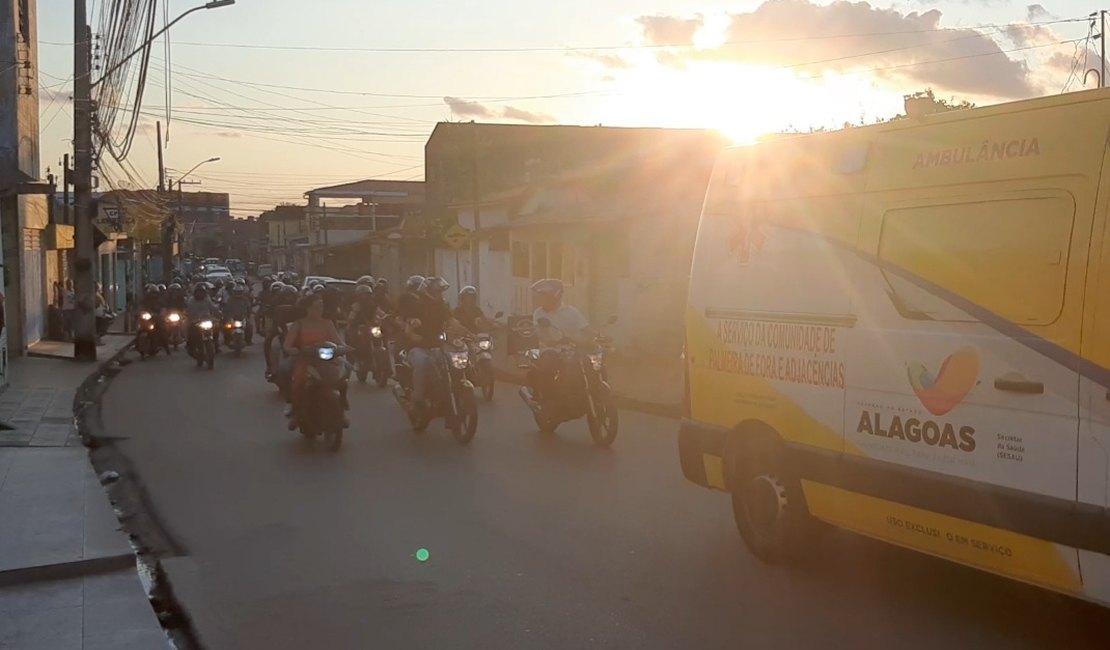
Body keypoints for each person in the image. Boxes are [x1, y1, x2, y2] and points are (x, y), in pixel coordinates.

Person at [282, 293, 344, 428]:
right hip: (306, 361)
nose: (319, 309)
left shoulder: (328, 323)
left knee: (343, 378)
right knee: (298, 383)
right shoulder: (298, 324)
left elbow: (338, 342)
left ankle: (342, 409)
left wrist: (344, 349)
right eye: (316, 307)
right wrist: (294, 350)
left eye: (321, 306)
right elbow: (287, 345)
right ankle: (297, 412)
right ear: (308, 308)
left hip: (327, 361)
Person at [525, 278, 591, 404]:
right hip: (550, 350)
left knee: (591, 364)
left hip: (573, 349)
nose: (540, 299)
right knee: (549, 363)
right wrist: (554, 341)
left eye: (543, 296)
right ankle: (548, 399)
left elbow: (585, 328)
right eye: (540, 296)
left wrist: (595, 336)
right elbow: (541, 334)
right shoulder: (539, 313)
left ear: (554, 296)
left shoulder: (571, 312)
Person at [402, 276, 459, 412]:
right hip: (417, 347)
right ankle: (417, 399)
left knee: (452, 360)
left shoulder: (442, 305)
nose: (439, 294)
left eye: (440, 292)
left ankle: (451, 390)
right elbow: (408, 324)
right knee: (423, 362)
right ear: (428, 292)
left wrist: (461, 332)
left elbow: (452, 321)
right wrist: (412, 333)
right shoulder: (418, 305)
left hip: (437, 346)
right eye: (437, 292)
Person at [185, 284, 220, 358]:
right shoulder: (191, 300)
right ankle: (188, 343)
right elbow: (187, 310)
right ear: (195, 293)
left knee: (216, 326)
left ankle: (216, 344)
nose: (200, 294)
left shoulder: (207, 299)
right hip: (195, 321)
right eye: (198, 292)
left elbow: (212, 307)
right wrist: (187, 314)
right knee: (187, 327)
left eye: (201, 292)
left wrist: (218, 312)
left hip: (206, 320)